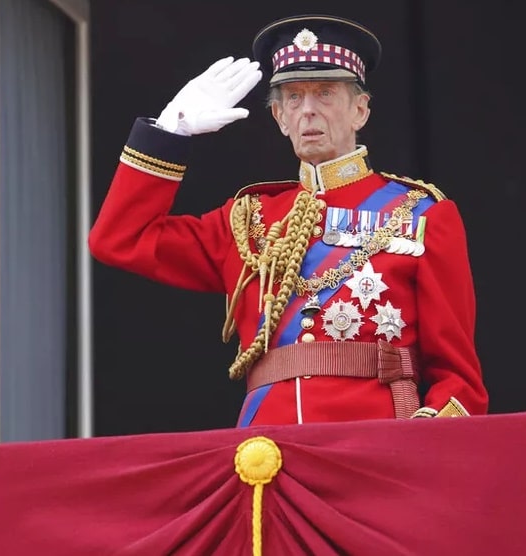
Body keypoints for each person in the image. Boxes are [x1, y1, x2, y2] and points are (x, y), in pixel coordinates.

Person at [88, 14, 489, 426]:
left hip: (376, 450)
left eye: (325, 93)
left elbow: (458, 379)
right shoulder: (248, 220)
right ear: (279, 117)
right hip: (267, 453)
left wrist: (420, 441)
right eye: (294, 98)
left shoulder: (421, 214)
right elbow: (119, 238)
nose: (308, 111)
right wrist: (170, 133)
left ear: (360, 110)